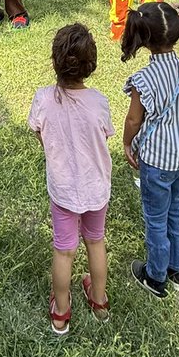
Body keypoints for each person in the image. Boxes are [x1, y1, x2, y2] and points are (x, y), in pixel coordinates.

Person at [28, 24, 113, 335]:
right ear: (90, 65)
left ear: (55, 61)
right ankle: (99, 300)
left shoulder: (42, 99)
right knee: (95, 241)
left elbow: (40, 133)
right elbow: (105, 135)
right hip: (96, 188)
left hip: (63, 188)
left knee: (64, 250)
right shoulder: (99, 102)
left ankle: (61, 311)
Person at [121, 1, 179, 299]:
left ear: (143, 38)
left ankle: (156, 276)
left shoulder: (144, 79)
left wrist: (125, 143)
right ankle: (177, 268)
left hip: (157, 160)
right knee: (176, 209)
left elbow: (134, 119)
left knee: (155, 218)